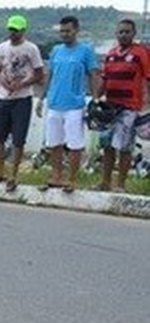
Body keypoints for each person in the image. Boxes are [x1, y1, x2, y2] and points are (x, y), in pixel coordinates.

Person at [37, 15, 99, 192]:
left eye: (68, 31)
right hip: (54, 103)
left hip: (75, 105)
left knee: (74, 144)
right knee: (54, 142)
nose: (65, 34)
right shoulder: (56, 50)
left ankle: (72, 179)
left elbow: (93, 74)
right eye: (62, 31)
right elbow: (50, 75)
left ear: (76, 30)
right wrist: (42, 98)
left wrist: (95, 99)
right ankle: (56, 176)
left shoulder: (85, 51)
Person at [0, 14, 44, 191]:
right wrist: (2, 81)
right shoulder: (2, 48)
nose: (13, 33)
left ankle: (14, 174)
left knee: (18, 138)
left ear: (23, 31)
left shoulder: (31, 49)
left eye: (16, 30)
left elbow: (39, 73)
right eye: (11, 30)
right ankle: (0, 171)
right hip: (3, 96)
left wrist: (22, 84)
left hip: (22, 98)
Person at [97, 19, 149, 192]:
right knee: (107, 145)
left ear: (133, 34)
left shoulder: (140, 52)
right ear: (116, 34)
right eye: (121, 32)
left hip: (130, 107)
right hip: (110, 107)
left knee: (124, 147)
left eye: (127, 32)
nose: (124, 35)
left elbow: (148, 77)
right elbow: (104, 79)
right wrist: (97, 98)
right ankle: (105, 182)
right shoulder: (111, 53)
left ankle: (120, 185)